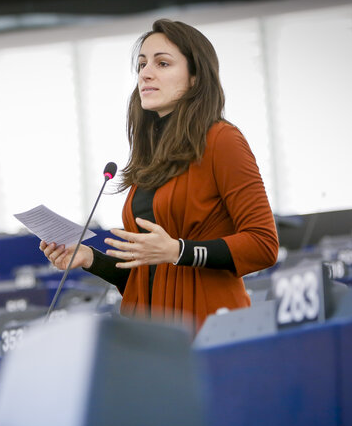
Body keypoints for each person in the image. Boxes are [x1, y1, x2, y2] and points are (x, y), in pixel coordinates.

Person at [40, 19, 278, 335]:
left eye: (162, 63)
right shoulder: (150, 154)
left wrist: (179, 251)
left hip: (210, 331)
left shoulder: (222, 140)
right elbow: (146, 278)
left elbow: (264, 244)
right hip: (151, 339)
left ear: (195, 77)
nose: (145, 73)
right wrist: (89, 258)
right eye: (141, 64)